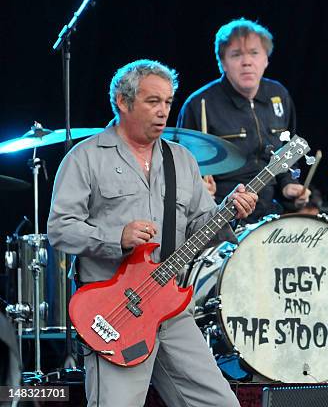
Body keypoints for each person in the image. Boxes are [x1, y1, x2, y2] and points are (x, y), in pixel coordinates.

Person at [48, 59, 257, 407]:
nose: (163, 112)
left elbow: (199, 228)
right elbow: (59, 230)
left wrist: (228, 214)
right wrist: (116, 237)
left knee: (220, 403)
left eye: (167, 102)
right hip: (116, 312)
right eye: (152, 102)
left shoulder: (182, 160)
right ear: (123, 101)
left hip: (170, 310)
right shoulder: (85, 157)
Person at [177, 18, 309, 223]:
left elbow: (288, 148)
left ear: (266, 59)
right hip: (222, 217)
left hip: (272, 214)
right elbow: (180, 169)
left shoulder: (279, 94)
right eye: (236, 54)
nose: (247, 62)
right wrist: (197, 190)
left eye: (254, 53)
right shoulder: (199, 104)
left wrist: (288, 184)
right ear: (222, 62)